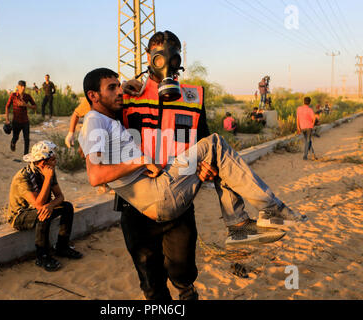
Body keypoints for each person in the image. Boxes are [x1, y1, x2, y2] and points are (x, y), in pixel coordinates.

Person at [79, 67, 307, 300]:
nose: (119, 91)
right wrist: (140, 162)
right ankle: (261, 213)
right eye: (112, 87)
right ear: (93, 96)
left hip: (159, 190)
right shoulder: (95, 120)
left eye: (119, 85)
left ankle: (239, 224)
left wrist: (128, 85)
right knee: (215, 144)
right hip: (154, 196)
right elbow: (95, 176)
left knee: (215, 158)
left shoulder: (108, 118)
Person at [8, 140, 83, 272]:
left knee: (67, 207)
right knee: (43, 214)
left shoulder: (49, 171)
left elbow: (60, 196)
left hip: (41, 208)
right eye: (53, 159)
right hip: (20, 215)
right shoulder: (23, 177)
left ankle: (62, 247)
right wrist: (47, 180)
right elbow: (38, 204)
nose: (55, 162)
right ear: (43, 162)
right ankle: (42, 256)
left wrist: (51, 205)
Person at [5, 80, 37, 155]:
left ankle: (25, 155)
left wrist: (26, 105)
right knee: (16, 137)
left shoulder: (27, 96)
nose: (23, 88)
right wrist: (7, 119)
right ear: (18, 87)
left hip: (25, 121)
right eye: (21, 86)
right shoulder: (13, 95)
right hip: (16, 121)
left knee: (27, 139)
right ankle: (13, 143)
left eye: (24, 86)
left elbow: (35, 106)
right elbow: (7, 107)